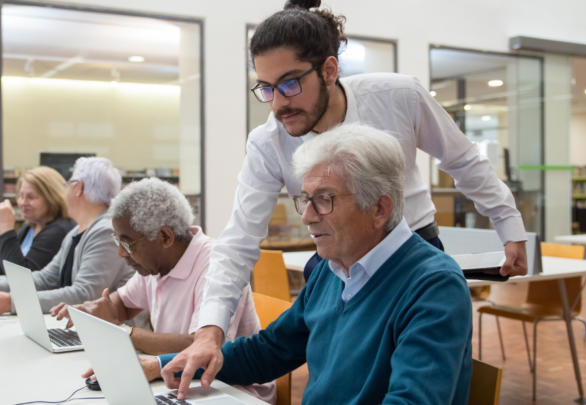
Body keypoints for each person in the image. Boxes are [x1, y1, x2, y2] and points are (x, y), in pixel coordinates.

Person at [167, 0, 529, 391]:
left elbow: (462, 160)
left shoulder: (396, 95)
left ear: (329, 69)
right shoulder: (269, 141)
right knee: (338, 374)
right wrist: (209, 331)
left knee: (408, 373)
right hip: (337, 260)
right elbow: (238, 242)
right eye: (266, 88)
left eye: (289, 84)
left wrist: (510, 227)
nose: (278, 104)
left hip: (411, 252)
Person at [151, 124, 473, 403]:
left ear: (379, 208)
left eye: (324, 199)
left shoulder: (434, 285)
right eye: (305, 199)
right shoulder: (332, 270)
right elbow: (268, 351)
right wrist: (163, 363)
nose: (306, 216)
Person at [50, 178, 276, 404]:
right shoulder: (155, 266)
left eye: (127, 243)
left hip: (232, 389)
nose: (120, 252)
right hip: (180, 379)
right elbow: (122, 305)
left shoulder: (216, 267)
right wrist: (90, 313)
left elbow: (199, 347)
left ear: (165, 237)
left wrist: (122, 331)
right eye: (117, 240)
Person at [0, 157, 134, 315]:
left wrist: (12, 302)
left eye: (68, 184)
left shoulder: (106, 232)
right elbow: (45, 279)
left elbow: (84, 294)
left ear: (78, 187)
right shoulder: (76, 231)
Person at [0, 167, 75, 274]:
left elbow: (21, 276)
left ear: (52, 198)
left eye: (31, 197)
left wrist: (6, 230)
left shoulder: (58, 231)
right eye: (21, 196)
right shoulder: (30, 225)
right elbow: (5, 263)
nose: (22, 203)